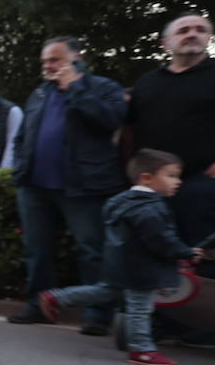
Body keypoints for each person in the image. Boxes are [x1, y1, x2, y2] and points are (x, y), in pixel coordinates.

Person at [37, 150, 203, 365]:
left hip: (118, 262)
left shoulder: (120, 201)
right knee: (140, 309)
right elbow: (161, 240)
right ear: (147, 177)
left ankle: (56, 297)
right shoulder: (151, 208)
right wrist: (186, 252)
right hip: (141, 268)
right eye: (171, 176)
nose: (178, 182)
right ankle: (141, 349)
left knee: (103, 291)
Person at [7, 37, 127, 334]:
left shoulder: (104, 88)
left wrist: (74, 87)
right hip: (35, 186)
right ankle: (38, 306)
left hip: (83, 186)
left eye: (55, 59)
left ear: (77, 58)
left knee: (91, 250)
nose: (48, 66)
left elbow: (110, 120)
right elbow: (23, 135)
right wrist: (20, 167)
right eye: (45, 61)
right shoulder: (38, 94)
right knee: (37, 249)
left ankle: (97, 315)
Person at [126, 15, 215, 247]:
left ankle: (208, 284)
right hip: (153, 183)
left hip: (208, 179)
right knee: (155, 249)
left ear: (208, 38)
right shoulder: (147, 82)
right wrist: (129, 168)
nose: (192, 34)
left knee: (202, 250)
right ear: (165, 44)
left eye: (200, 29)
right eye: (183, 30)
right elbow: (130, 127)